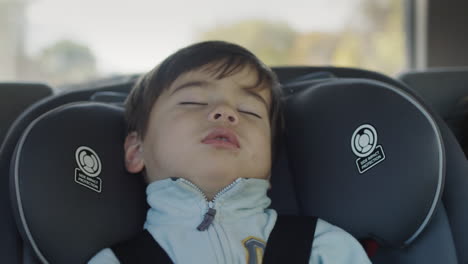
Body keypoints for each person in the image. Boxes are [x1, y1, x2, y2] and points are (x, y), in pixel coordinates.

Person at [88, 41, 371, 263]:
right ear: (137, 151)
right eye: (193, 101)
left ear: (269, 167)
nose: (225, 112)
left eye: (249, 110)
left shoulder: (324, 247)